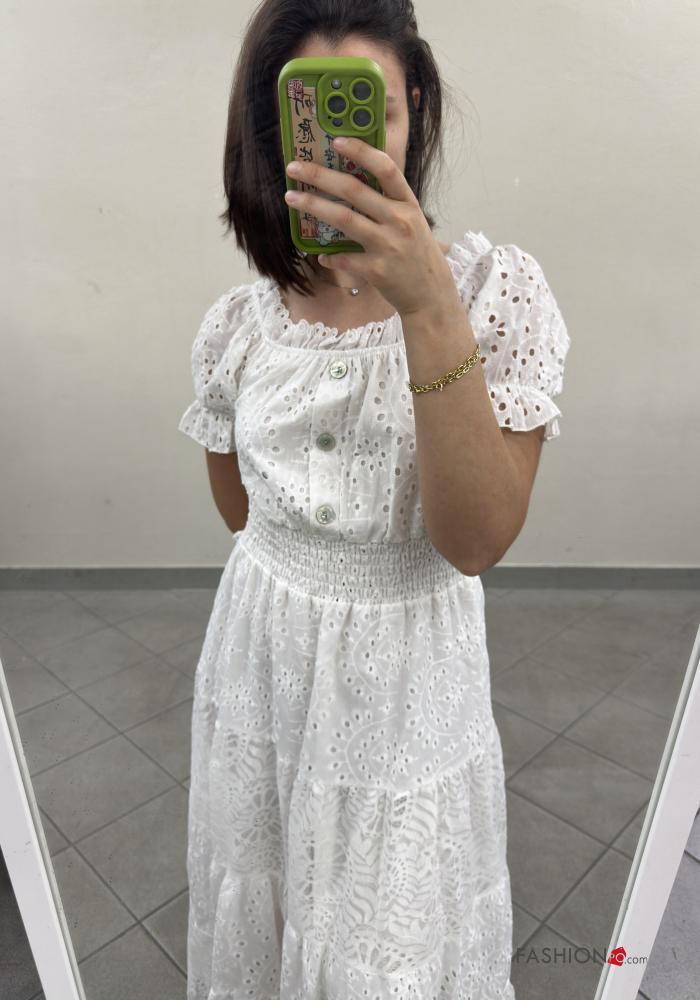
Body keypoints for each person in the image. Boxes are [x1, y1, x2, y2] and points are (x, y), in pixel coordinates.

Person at [177, 2, 571, 997]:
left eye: (375, 113)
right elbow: (244, 516)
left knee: (387, 946)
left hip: (406, 686)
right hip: (261, 668)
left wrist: (426, 304)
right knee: (265, 907)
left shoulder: (493, 294)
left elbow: (475, 539)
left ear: (418, 106)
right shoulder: (238, 325)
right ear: (274, 132)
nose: (349, 151)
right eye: (314, 120)